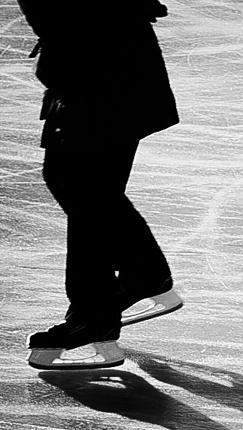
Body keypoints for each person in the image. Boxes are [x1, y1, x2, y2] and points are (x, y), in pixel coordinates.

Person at [18, 0, 183, 369]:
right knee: (86, 190)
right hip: (104, 69)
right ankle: (128, 288)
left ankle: (104, 309)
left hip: (102, 73)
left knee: (81, 186)